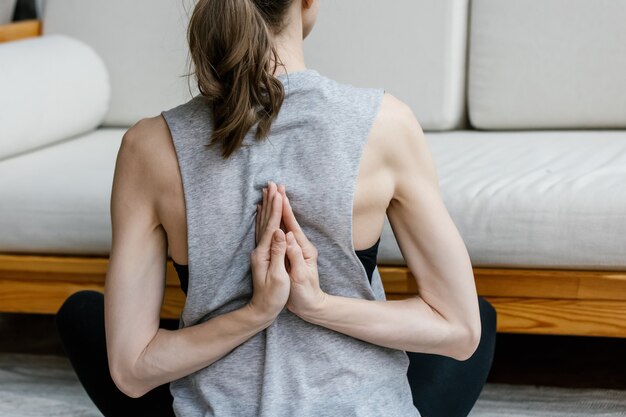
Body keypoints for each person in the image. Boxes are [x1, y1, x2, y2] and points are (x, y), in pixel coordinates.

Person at [55, 0, 497, 416]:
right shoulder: (386, 124)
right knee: (478, 314)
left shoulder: (147, 148)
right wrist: (317, 304)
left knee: (83, 315)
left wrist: (255, 313)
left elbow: (132, 373)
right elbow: (460, 332)